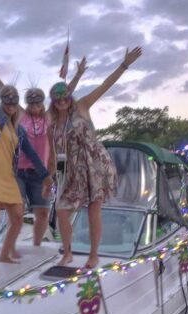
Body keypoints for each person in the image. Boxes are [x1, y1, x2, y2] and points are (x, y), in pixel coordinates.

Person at [47, 47, 142, 268]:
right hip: (70, 168)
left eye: (65, 96)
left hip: (94, 163)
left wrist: (124, 64)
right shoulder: (53, 123)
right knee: (61, 209)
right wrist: (53, 177)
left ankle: (93, 255)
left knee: (93, 210)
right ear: (53, 101)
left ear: (70, 97)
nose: (62, 100)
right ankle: (68, 252)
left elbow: (105, 86)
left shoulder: (82, 106)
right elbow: (55, 154)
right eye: (57, 98)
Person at [0, 57, 87, 253]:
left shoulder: (49, 116)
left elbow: (65, 94)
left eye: (37, 103)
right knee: (18, 213)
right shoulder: (21, 115)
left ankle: (37, 246)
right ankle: (10, 248)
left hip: (41, 174)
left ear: (42, 103)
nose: (34, 107)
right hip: (19, 171)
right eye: (30, 104)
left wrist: (79, 74)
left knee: (42, 212)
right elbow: (4, 92)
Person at [0, 75, 53, 278]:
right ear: (2, 102)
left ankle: (5, 255)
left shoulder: (18, 128)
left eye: (14, 102)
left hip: (8, 175)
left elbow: (32, 155)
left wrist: (45, 175)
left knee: (17, 216)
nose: (10, 105)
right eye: (7, 102)